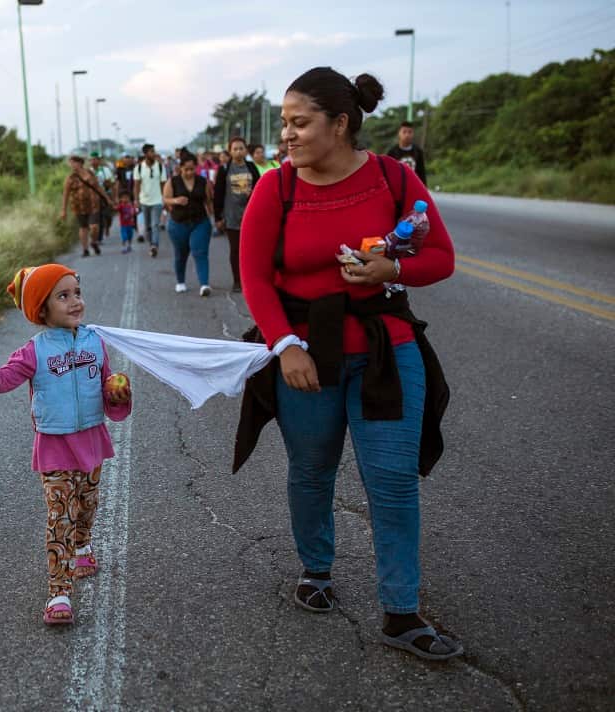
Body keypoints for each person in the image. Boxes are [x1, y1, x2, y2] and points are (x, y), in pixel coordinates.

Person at [238, 66, 460, 661]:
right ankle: (317, 572)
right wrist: (284, 346)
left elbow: (439, 255)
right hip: (306, 353)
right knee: (311, 470)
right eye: (284, 123)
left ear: (340, 124)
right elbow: (254, 277)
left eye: (299, 122)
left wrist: (394, 269)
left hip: (386, 350)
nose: (287, 135)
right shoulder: (274, 188)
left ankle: (401, 612)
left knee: (391, 482)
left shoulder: (393, 178)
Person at [0, 264, 132, 625]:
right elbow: (3, 379)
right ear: (42, 308)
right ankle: (59, 593)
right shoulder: (33, 351)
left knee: (87, 505)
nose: (75, 302)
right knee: (59, 517)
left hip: (91, 440)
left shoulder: (94, 342)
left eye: (77, 293)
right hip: (54, 446)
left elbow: (105, 385)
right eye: (63, 296)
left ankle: (83, 543)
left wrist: (116, 393)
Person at [163, 149, 214, 296]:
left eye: (192, 169)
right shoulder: (173, 182)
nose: (189, 172)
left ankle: (204, 284)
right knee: (181, 254)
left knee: (200, 252)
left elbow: (208, 200)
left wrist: (212, 217)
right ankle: (180, 281)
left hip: (200, 222)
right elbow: (165, 199)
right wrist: (175, 200)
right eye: (186, 169)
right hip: (178, 223)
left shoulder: (203, 182)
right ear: (180, 168)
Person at [213, 136, 260, 292]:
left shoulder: (252, 167)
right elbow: (218, 194)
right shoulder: (224, 169)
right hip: (232, 217)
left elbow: (260, 189)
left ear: (246, 150)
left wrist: (254, 193)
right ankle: (237, 281)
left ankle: (251, 279)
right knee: (235, 250)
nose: (239, 151)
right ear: (230, 151)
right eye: (235, 149)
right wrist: (218, 217)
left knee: (252, 250)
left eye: (241, 148)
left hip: (251, 216)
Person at [61, 155, 105, 257]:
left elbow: (98, 187)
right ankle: (85, 249)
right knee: (83, 227)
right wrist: (63, 210)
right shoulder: (70, 178)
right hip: (79, 206)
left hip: (93, 204)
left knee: (94, 227)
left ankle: (94, 242)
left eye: (73, 162)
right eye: (70, 163)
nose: (72, 165)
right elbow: (66, 194)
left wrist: (107, 199)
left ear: (80, 163)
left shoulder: (90, 173)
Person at [133, 143, 166, 256]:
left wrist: (165, 199)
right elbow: (136, 185)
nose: (154, 153)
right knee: (147, 227)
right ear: (146, 153)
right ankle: (151, 244)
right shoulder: (139, 168)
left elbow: (163, 184)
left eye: (154, 151)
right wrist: (136, 200)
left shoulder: (160, 167)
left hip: (157, 201)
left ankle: (154, 245)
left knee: (155, 224)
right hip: (144, 201)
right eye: (151, 151)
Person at [387, 121, 427, 185]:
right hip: (397, 187)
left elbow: (422, 173)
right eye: (404, 132)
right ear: (399, 133)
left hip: (414, 186)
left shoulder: (418, 152)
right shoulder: (392, 152)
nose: (407, 135)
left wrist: (424, 188)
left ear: (413, 134)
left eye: (410, 132)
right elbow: (388, 174)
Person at [90, 152, 116, 239]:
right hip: (94, 196)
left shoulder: (105, 170)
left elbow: (112, 183)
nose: (94, 161)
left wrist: (114, 197)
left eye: (96, 159)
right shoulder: (89, 171)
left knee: (108, 215)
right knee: (99, 216)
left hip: (106, 195)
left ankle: (107, 227)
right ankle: (99, 236)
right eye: (92, 159)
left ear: (99, 160)